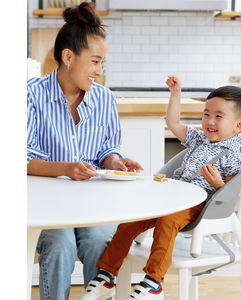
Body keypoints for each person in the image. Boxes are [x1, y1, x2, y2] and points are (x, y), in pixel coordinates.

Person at [78, 74, 241, 300]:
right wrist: (176, 94)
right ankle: (106, 277)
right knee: (129, 222)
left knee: (167, 222)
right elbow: (174, 123)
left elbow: (229, 194)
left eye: (219, 116)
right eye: (206, 114)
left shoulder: (233, 155)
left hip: (197, 204)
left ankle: (153, 283)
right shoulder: (200, 139)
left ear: (238, 125)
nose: (209, 121)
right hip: (172, 197)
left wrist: (217, 183)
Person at [27, 3, 143, 300]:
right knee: (60, 244)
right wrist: (66, 169)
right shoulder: (31, 95)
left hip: (93, 202)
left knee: (101, 240)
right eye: (94, 61)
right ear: (68, 57)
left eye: (101, 63)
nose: (98, 71)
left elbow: (107, 148)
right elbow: (21, 158)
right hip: (46, 202)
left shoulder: (105, 99)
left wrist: (116, 161)